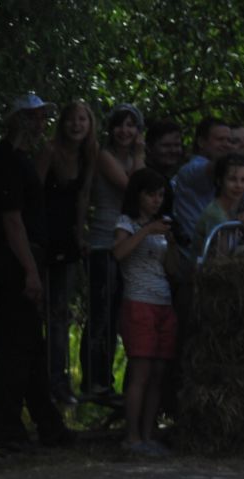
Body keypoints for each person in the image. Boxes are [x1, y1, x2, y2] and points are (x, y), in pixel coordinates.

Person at [0, 92, 70, 450]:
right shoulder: (5, 161)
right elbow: (11, 220)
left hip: (24, 260)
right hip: (15, 264)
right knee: (18, 348)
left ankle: (46, 423)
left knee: (32, 347)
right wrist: (30, 271)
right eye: (34, 117)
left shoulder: (20, 160)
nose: (41, 124)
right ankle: (7, 426)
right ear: (18, 120)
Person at [36, 99, 97, 403]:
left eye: (82, 119)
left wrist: (79, 232)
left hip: (67, 239)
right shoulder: (49, 151)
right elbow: (33, 191)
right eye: (71, 119)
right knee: (38, 311)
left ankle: (58, 383)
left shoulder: (89, 155)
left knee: (60, 313)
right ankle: (34, 382)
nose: (76, 125)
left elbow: (84, 195)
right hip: (43, 237)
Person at [111, 169, 174, 457]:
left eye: (160, 195)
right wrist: (147, 230)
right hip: (138, 301)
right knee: (140, 372)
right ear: (138, 195)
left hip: (164, 301)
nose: (156, 200)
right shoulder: (127, 223)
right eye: (151, 194)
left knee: (158, 372)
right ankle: (132, 436)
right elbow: (119, 252)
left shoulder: (164, 225)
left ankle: (149, 435)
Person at [85, 105, 143, 408]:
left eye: (132, 125)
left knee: (118, 314)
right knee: (101, 314)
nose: (126, 131)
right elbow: (133, 188)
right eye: (121, 125)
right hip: (103, 242)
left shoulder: (133, 159)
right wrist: (142, 156)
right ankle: (96, 380)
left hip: (126, 242)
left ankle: (108, 381)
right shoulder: (105, 156)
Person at [195, 153, 244, 257]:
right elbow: (222, 255)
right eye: (232, 179)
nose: (239, 185)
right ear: (219, 181)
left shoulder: (232, 207)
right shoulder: (215, 213)